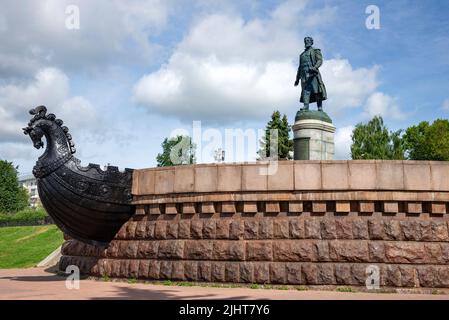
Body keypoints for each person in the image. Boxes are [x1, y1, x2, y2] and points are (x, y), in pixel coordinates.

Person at [294, 37, 327, 111]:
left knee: (317, 91)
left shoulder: (315, 51)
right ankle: (306, 106)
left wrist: (315, 67)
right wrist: (297, 79)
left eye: (308, 41)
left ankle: (319, 107)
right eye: (305, 41)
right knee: (306, 91)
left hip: (313, 74)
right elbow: (300, 67)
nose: (306, 42)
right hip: (304, 75)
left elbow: (319, 60)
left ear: (312, 42)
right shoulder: (301, 55)